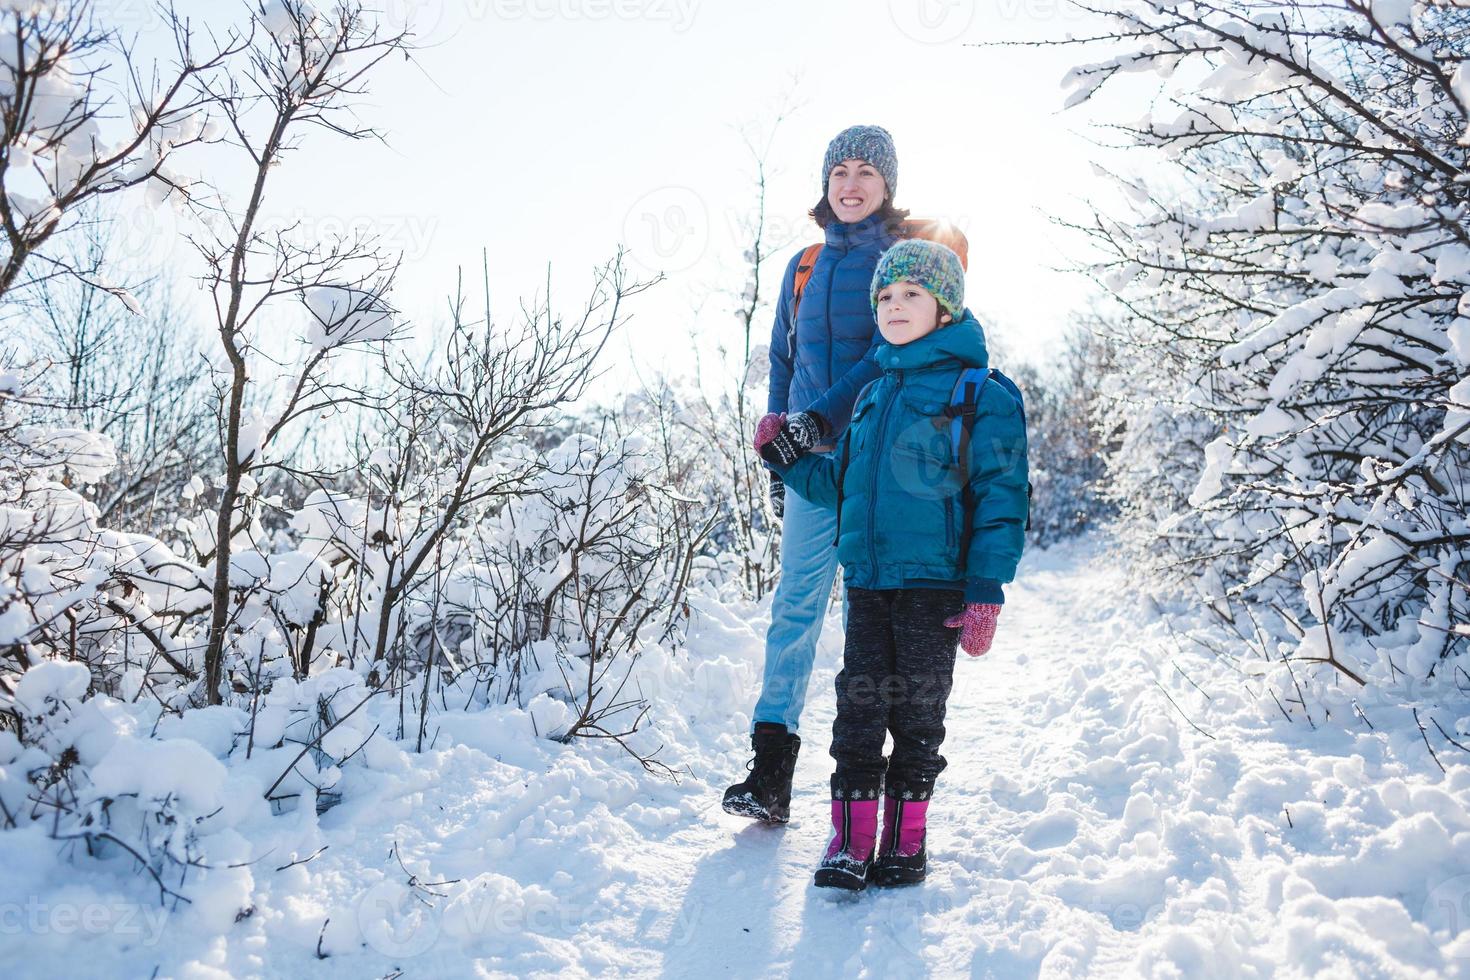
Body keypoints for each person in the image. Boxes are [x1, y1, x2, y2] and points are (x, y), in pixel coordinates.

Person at [756, 239, 1029, 890]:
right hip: (870, 587)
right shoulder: (874, 394)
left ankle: (905, 845)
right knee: (858, 712)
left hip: (935, 590)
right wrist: (789, 461)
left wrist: (986, 588)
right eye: (884, 296)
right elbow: (843, 487)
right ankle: (849, 842)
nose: (895, 306)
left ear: (945, 307)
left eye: (911, 294)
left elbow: (1002, 497)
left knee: (915, 717)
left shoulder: (980, 393)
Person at [722, 125, 908, 824]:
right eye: (840, 171)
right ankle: (770, 770)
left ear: (888, 185)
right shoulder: (801, 264)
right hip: (806, 459)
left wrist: (819, 422)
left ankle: (870, 781)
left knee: (872, 614)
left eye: (866, 171)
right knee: (794, 607)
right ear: (826, 184)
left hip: (871, 462)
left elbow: (887, 353)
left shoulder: (900, 259)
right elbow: (781, 360)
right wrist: (778, 440)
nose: (851, 183)